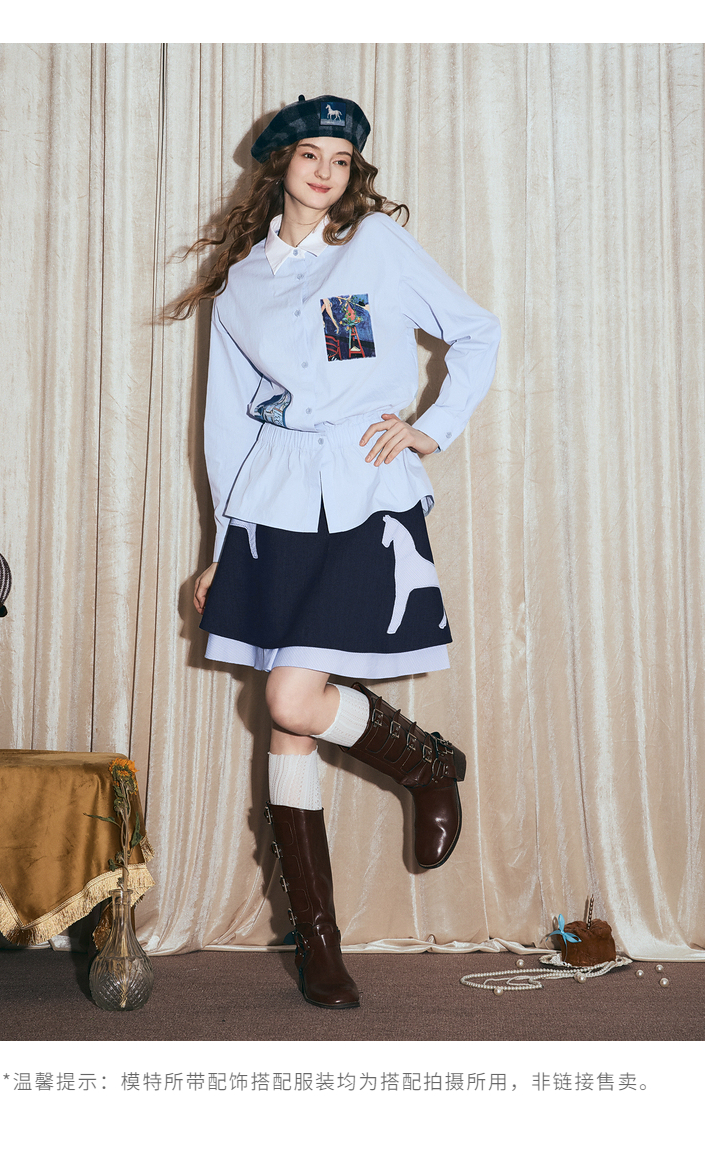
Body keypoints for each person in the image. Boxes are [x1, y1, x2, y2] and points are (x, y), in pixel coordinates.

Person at [171, 94, 500, 1009]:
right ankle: (318, 941)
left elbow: (477, 330)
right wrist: (222, 546)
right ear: (279, 163)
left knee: (292, 694)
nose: (324, 171)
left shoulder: (376, 248)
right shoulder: (241, 283)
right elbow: (227, 425)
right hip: (272, 502)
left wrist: (431, 427)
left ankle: (426, 764)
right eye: (309, 153)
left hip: (362, 493)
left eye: (341, 158)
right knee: (287, 719)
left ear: (354, 172)